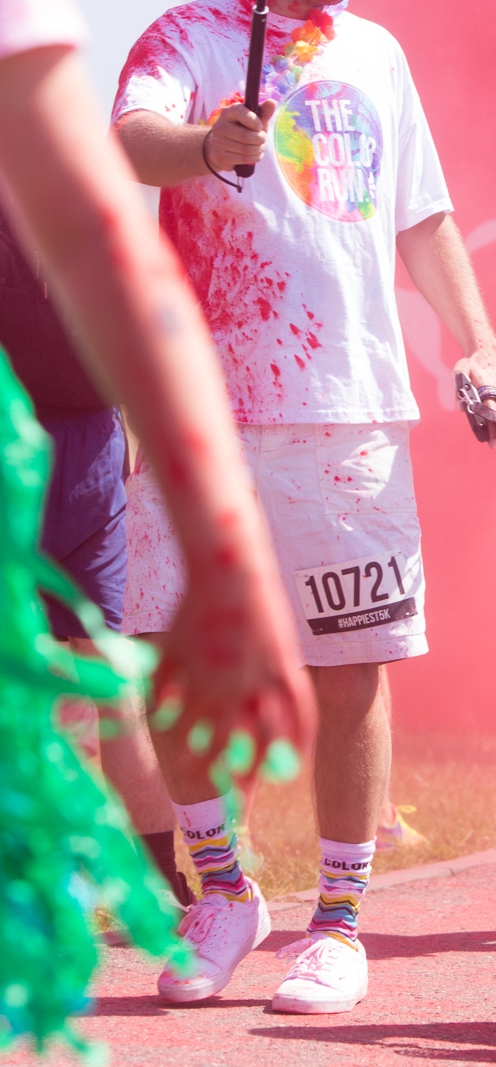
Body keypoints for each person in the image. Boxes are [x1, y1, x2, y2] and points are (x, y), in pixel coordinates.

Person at [113, 0, 496, 1013]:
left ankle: (336, 923)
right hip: (196, 408)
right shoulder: (187, 36)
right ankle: (224, 893)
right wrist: (206, 143)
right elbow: (134, 144)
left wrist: (475, 341)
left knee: (349, 670)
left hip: (347, 413)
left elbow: (422, 216)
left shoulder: (377, 50)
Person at [0, 0, 312, 1042]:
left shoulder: (38, 95)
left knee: (103, 682)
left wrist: (212, 529)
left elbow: (108, 255)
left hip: (72, 435)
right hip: (69, 427)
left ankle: (168, 884)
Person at [0, 208, 193, 909]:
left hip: (72, 449)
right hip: (46, 444)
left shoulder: (82, 195)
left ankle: (152, 879)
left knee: (95, 682)